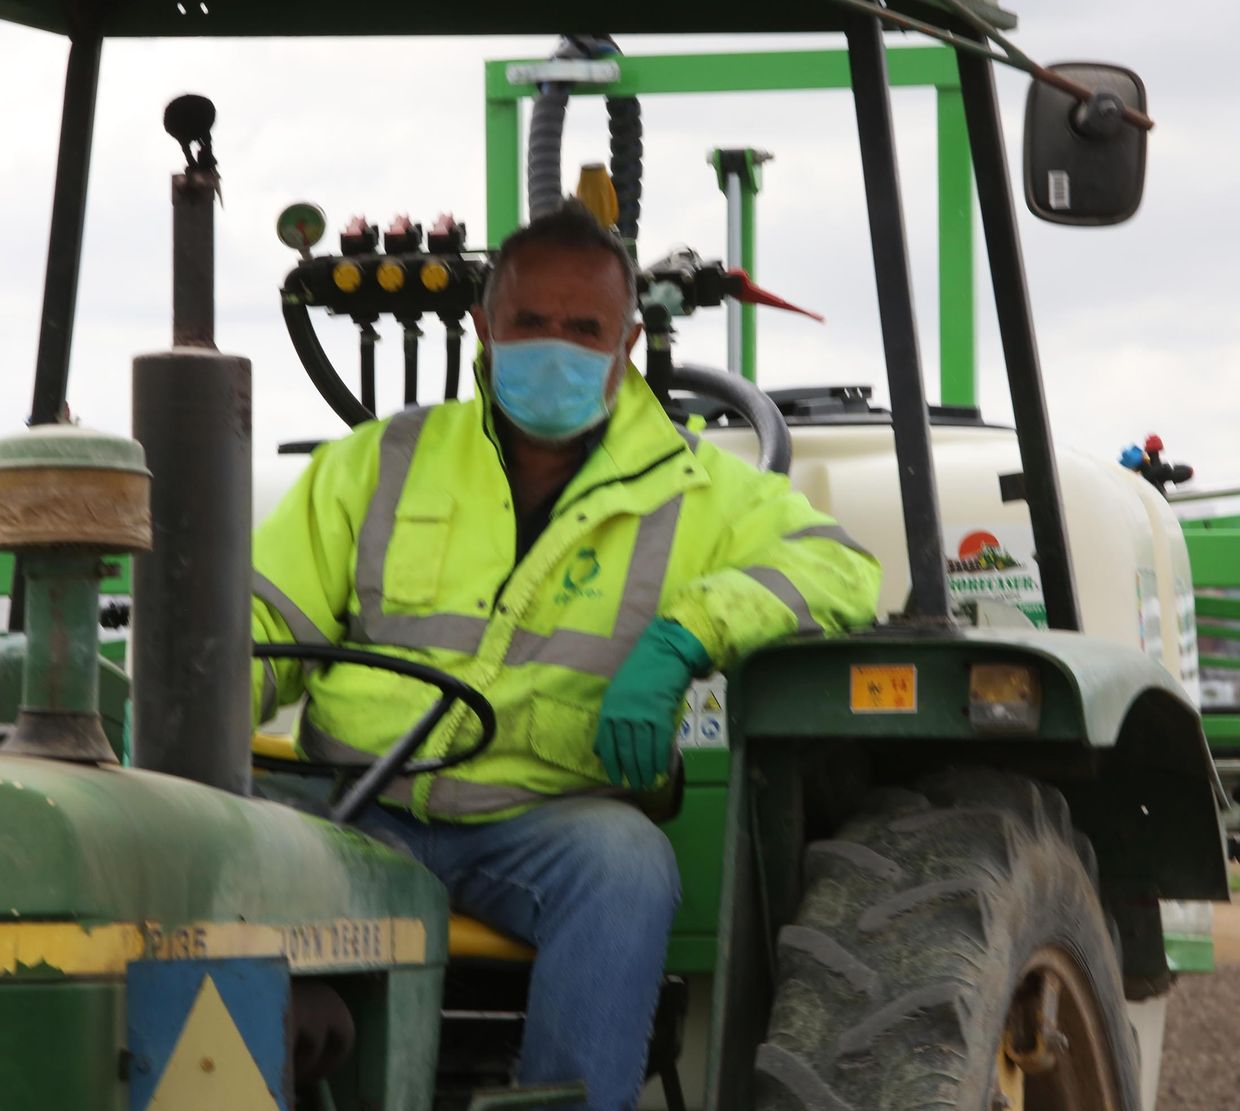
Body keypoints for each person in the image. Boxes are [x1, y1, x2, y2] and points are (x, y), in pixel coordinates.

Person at [249, 198, 881, 1107]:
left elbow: (838, 567)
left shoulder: (697, 488)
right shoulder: (376, 461)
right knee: (184, 828)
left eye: (584, 328)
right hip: (356, 806)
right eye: (530, 322)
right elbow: (262, 622)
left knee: (626, 864)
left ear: (625, 345)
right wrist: (186, 748)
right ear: (484, 326)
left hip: (540, 821)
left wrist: (681, 638)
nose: (555, 346)